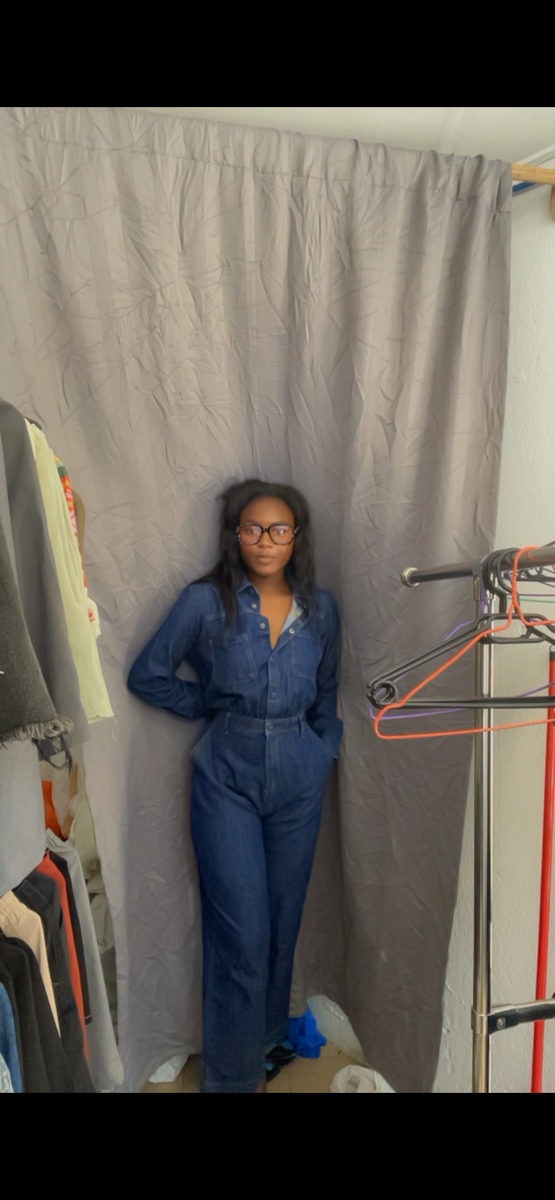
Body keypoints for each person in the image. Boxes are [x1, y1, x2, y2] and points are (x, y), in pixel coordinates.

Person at [128, 480, 343, 1093]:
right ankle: (231, 1080)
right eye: (252, 528)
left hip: (300, 776)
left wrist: (322, 751)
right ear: (235, 535)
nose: (265, 541)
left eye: (279, 529)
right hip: (226, 778)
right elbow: (148, 674)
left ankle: (264, 1042)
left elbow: (328, 693)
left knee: (281, 924)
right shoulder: (205, 602)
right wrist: (210, 703)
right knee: (241, 933)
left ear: (296, 537)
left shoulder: (322, 609)